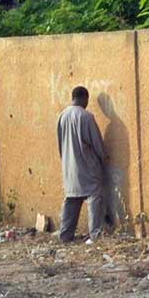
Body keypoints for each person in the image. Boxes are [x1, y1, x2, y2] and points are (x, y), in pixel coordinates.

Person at [57, 86, 108, 245]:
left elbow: (60, 144)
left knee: (72, 198)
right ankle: (95, 235)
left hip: (69, 167)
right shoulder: (86, 117)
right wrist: (103, 157)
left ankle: (65, 235)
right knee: (94, 197)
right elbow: (96, 143)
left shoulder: (62, 116)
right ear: (85, 98)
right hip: (87, 166)